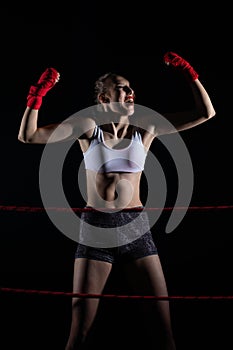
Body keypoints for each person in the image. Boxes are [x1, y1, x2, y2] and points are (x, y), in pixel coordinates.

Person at [18, 51, 216, 350]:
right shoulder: (88, 127)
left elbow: (206, 113)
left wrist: (189, 72)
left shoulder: (145, 128)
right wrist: (37, 95)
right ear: (103, 99)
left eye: (130, 87)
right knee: (79, 331)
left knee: (164, 331)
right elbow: (28, 136)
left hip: (135, 226)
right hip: (97, 225)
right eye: (122, 88)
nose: (130, 91)